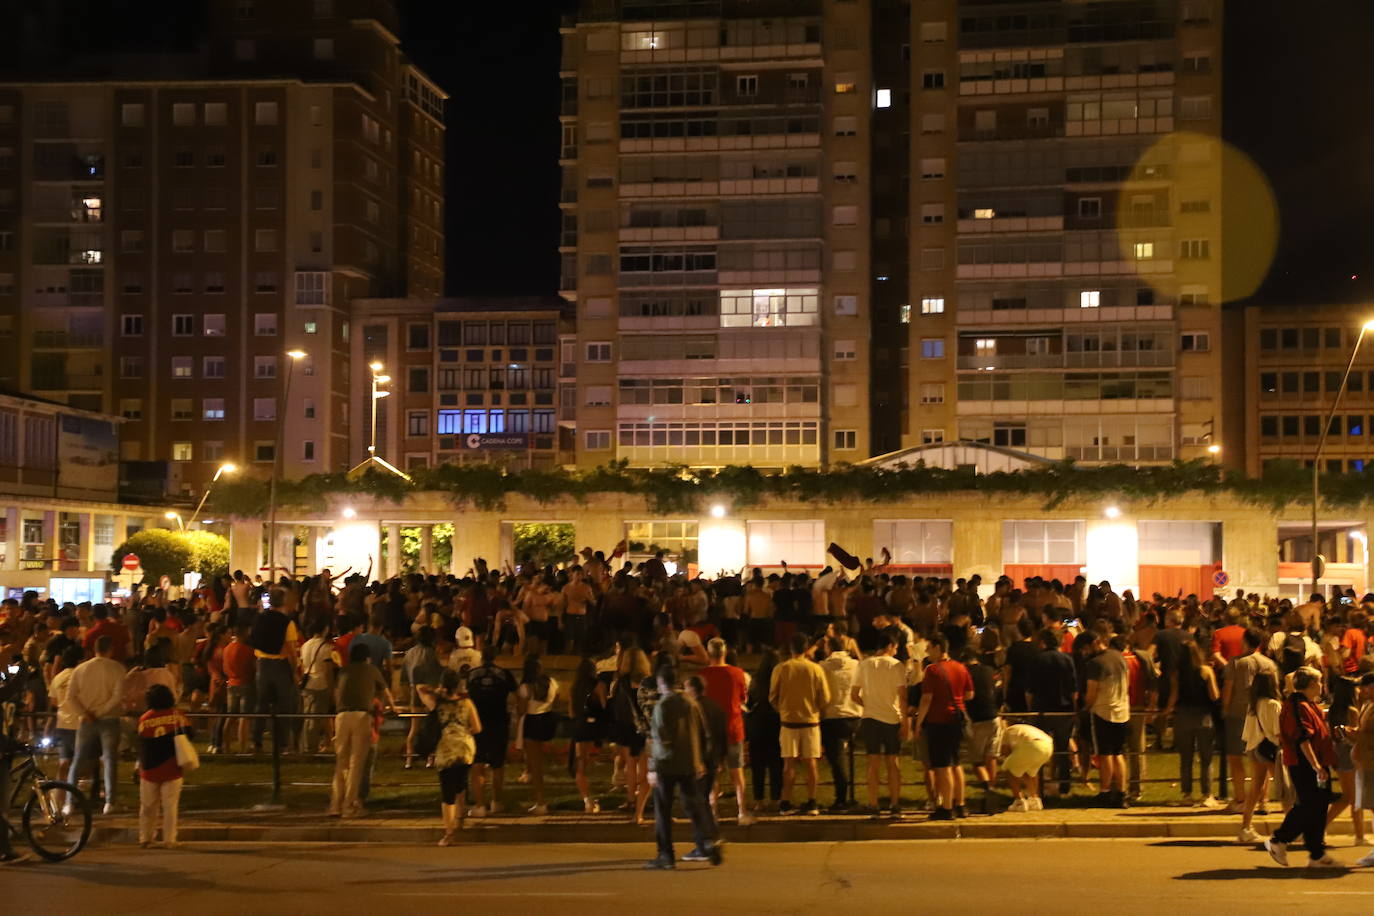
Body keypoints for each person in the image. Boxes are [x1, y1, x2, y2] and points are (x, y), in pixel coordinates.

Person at [644, 665, 721, 870]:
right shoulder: (691, 702)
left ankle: (666, 855)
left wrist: (652, 767)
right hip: (689, 763)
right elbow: (705, 733)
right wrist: (701, 760)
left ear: (661, 683)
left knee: (663, 811)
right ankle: (707, 842)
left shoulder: (663, 705)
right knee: (693, 805)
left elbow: (660, 739)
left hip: (667, 765)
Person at [1266, 666, 1340, 868]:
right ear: (1311, 684)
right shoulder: (1296, 706)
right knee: (1308, 806)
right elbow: (1302, 738)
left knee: (1319, 807)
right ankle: (1279, 839)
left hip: (1316, 763)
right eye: (1319, 681)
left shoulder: (1308, 704)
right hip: (1304, 764)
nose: (1322, 684)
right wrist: (1316, 766)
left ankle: (1316, 854)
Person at [328, 642, 398, 818]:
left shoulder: (344, 670)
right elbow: (386, 691)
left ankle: (335, 804)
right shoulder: (372, 670)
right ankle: (349, 806)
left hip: (341, 716)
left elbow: (336, 694)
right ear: (367, 658)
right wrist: (393, 707)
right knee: (356, 764)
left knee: (341, 762)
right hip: (361, 716)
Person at [417, 668, 482, 846]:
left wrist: (436, 690)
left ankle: (449, 833)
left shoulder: (437, 703)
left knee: (448, 794)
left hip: (446, 750)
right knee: (460, 784)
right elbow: (477, 728)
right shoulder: (467, 703)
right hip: (465, 749)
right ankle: (460, 818)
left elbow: (419, 688)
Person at [768, 633, 831, 816]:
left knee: (789, 764)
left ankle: (786, 801)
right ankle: (812, 801)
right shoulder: (815, 669)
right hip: (810, 721)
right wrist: (814, 708)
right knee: (811, 763)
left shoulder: (781, 669)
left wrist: (783, 708)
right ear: (806, 648)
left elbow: (773, 696)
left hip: (788, 721)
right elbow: (825, 697)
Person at [1221, 628, 1279, 814]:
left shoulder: (1236, 663)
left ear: (1245, 642)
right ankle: (1263, 800)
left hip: (1239, 713)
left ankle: (1241, 799)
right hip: (1263, 714)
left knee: (1235, 758)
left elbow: (1228, 689)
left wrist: (1224, 708)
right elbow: (1275, 688)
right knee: (1261, 758)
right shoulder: (1269, 664)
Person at [916, 634, 973, 820]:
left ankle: (947, 807)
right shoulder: (961, 667)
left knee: (942, 766)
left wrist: (918, 723)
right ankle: (961, 804)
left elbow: (926, 699)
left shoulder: (932, 670)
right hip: (957, 720)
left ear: (938, 647)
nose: (927, 652)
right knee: (956, 763)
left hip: (938, 721)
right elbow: (970, 694)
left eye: (929, 647)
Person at [67, 635, 126, 814]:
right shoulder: (117, 668)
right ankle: (109, 801)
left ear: (94, 649)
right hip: (109, 719)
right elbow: (117, 697)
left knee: (78, 761)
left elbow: (70, 697)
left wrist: (86, 713)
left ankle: (69, 802)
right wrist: (100, 712)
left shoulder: (81, 669)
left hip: (86, 720)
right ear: (111, 650)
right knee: (109, 760)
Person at [852, 632, 907, 818]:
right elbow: (903, 696)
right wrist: (905, 720)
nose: (897, 650)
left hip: (870, 718)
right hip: (891, 718)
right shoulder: (897, 665)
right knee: (893, 762)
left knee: (872, 763)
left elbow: (854, 695)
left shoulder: (864, 664)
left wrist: (868, 705)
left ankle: (873, 805)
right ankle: (894, 804)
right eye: (896, 647)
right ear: (890, 646)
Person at [699, 638, 752, 824]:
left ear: (708, 653)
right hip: (733, 727)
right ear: (725, 652)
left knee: (713, 772)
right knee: (737, 772)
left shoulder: (702, 675)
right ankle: (742, 811)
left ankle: (713, 811)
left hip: (711, 730)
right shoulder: (737, 673)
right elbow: (743, 698)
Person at [1167, 637, 1221, 807]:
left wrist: (1166, 711)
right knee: (1206, 759)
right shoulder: (1205, 671)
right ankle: (1207, 794)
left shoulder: (1177, 673)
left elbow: (1174, 695)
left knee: (1186, 759)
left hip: (1182, 716)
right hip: (1203, 717)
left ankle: (1187, 793)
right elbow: (1214, 696)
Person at [136, 683, 191, 848]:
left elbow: (141, 744)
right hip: (172, 766)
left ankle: (145, 838)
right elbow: (190, 734)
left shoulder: (144, 719)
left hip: (149, 768)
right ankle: (169, 840)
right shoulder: (177, 716)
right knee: (170, 806)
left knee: (147, 806)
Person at [466, 645, 517, 817]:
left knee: (477, 764)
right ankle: (496, 801)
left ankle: (480, 805)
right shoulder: (503, 674)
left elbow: (465, 695)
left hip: (478, 723)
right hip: (499, 722)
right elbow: (516, 694)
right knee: (497, 765)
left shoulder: (472, 674)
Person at [250, 589, 302, 754]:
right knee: (284, 706)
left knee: (261, 704)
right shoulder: (287, 623)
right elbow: (291, 650)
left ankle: (256, 741)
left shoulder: (258, 619)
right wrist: (295, 671)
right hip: (280, 665)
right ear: (284, 602)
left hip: (262, 664)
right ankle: (282, 744)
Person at [1027, 628, 1076, 798]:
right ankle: (1064, 784)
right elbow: (1073, 689)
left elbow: (1030, 689)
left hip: (1042, 709)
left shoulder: (1037, 660)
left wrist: (1030, 708)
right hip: (1063, 710)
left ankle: (1040, 783)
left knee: (1039, 748)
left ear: (1044, 642)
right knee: (1062, 748)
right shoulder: (1067, 660)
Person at [1085, 632, 1130, 808]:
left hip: (1103, 711)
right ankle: (1122, 793)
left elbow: (1092, 692)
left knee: (1105, 755)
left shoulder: (1095, 663)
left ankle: (1104, 792)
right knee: (1119, 754)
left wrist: (1085, 708)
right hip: (1122, 711)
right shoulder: (1120, 658)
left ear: (1096, 643)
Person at [610, 647, 653, 824]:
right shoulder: (648, 681)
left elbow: (615, 704)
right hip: (645, 728)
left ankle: (630, 799)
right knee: (644, 767)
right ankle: (641, 803)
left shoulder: (621, 682)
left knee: (630, 763)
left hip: (626, 727)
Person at [1238, 669, 1282, 843]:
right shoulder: (1273, 705)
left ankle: (1245, 827)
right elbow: (1278, 732)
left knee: (1255, 789)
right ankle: (1295, 826)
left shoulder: (1253, 705)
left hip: (1254, 746)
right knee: (1284, 787)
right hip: (1269, 747)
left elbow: (1248, 731)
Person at [818, 636, 861, 812]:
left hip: (832, 715)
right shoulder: (856, 665)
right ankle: (849, 796)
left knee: (836, 759)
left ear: (829, 648)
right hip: (854, 714)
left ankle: (841, 798)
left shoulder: (823, 667)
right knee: (846, 758)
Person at [960, 645, 1003, 813]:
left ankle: (988, 791)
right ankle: (991, 789)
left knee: (977, 760)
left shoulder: (965, 673)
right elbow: (999, 690)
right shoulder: (988, 670)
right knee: (991, 756)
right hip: (994, 716)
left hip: (976, 719)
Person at [516, 655, 559, 815]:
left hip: (532, 722)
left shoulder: (526, 687)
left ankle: (541, 802)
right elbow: (557, 701)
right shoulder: (552, 683)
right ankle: (540, 798)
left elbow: (521, 710)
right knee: (537, 762)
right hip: (547, 720)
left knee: (535, 766)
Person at [569, 657, 609, 813]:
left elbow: (571, 712)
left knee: (581, 765)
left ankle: (588, 801)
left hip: (580, 727)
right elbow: (605, 706)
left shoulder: (574, 687)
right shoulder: (598, 685)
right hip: (595, 727)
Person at [403, 626, 442, 768]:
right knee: (431, 726)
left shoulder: (409, 653)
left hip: (414, 690)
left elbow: (404, 677)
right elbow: (436, 674)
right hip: (428, 691)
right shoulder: (430, 653)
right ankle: (430, 759)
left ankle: (409, 759)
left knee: (414, 728)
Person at [298, 620, 337, 755]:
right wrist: (332, 689)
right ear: (324, 629)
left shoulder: (305, 645)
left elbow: (303, 666)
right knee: (315, 719)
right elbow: (328, 671)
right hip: (320, 685)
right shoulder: (325, 647)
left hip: (307, 684)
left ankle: (306, 746)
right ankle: (311, 749)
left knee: (308, 716)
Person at [1001, 722, 1055, 811]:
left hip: (1031, 745)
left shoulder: (1006, 732)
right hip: (1048, 745)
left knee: (1008, 769)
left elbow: (1006, 751)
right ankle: (1035, 800)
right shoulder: (1021, 728)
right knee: (1030, 772)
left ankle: (1019, 801)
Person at [1351, 672, 1374, 868]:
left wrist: (1353, 735)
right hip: (1367, 763)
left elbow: (1367, 736)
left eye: (1365, 686)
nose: (1362, 690)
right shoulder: (1368, 706)